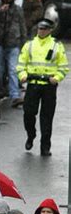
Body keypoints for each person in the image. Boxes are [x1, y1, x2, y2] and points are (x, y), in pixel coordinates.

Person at [18, 17, 69, 155]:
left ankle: (45, 146)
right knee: (28, 113)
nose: (41, 31)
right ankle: (31, 134)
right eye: (40, 28)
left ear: (50, 30)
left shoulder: (56, 46)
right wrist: (22, 75)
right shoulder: (29, 45)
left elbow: (63, 66)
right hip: (33, 83)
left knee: (47, 117)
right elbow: (21, 63)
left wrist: (57, 77)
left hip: (48, 85)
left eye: (44, 29)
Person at [0, 0, 27, 106]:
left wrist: (23, 42)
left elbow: (22, 26)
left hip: (13, 43)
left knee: (13, 69)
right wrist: (1, 10)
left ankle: (14, 94)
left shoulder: (17, 9)